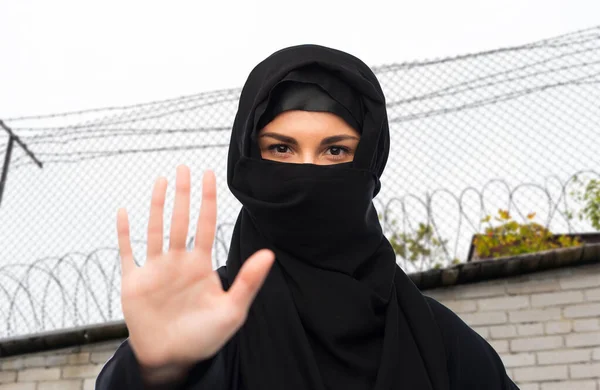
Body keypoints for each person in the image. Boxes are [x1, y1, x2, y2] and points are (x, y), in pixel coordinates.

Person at [96, 44, 519, 390]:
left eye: (335, 151)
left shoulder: (442, 341)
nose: (307, 173)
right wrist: (155, 371)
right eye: (281, 149)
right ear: (246, 160)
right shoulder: (207, 321)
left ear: (369, 163)